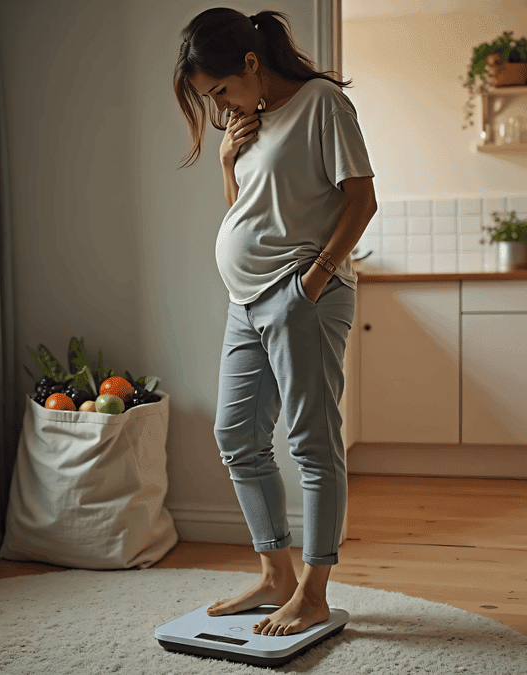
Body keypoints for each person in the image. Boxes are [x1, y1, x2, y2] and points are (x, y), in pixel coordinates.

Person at [172, 8, 377, 637]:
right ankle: (276, 576)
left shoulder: (321, 105)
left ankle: (314, 589)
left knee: (312, 443)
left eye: (220, 90)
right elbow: (249, 213)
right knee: (236, 437)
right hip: (246, 302)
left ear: (252, 64)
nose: (220, 104)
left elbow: (362, 199)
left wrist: (312, 280)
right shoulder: (249, 122)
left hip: (299, 297)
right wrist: (228, 162)